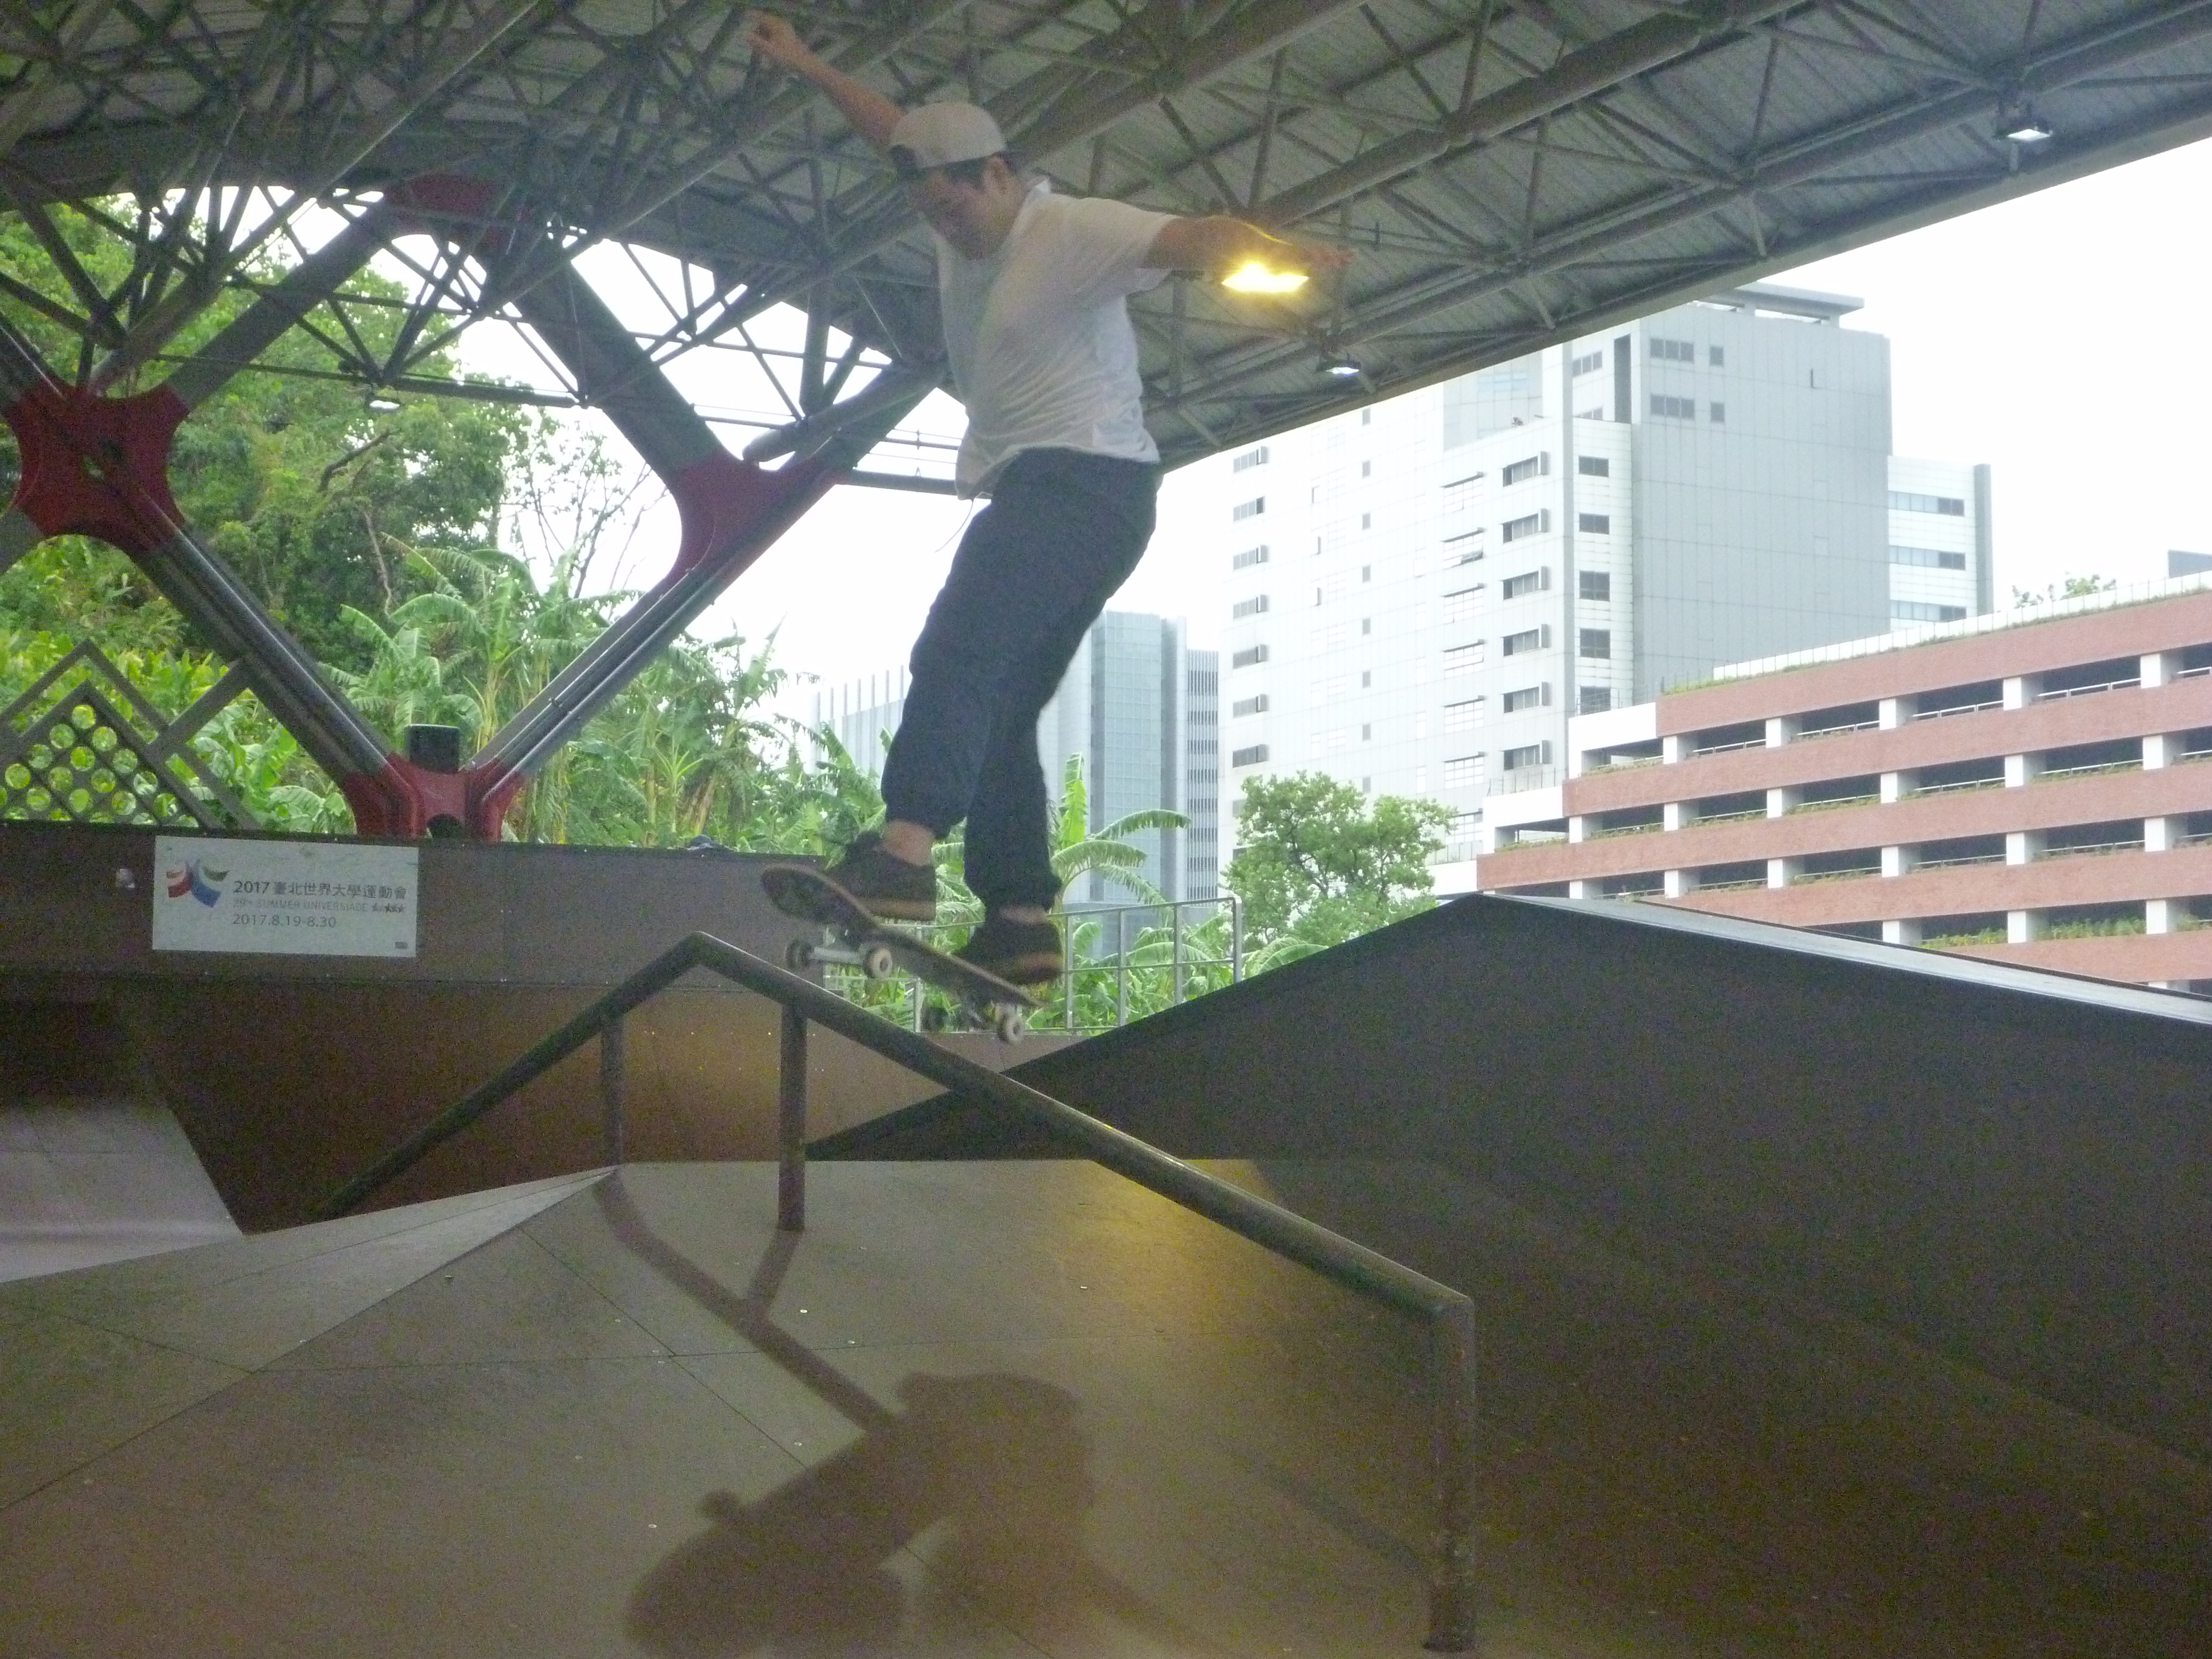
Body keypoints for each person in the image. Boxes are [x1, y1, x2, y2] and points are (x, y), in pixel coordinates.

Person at [746, 13, 1343, 985]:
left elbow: (1192, 237)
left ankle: (902, 855)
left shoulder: (1070, 229)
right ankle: (1020, 921)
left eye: (955, 209)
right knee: (1002, 704)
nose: (947, 229)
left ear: (998, 174)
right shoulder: (954, 208)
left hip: (1080, 483)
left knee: (957, 649)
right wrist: (810, 65)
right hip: (1072, 496)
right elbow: (897, 128)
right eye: (931, 215)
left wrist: (1273, 249)